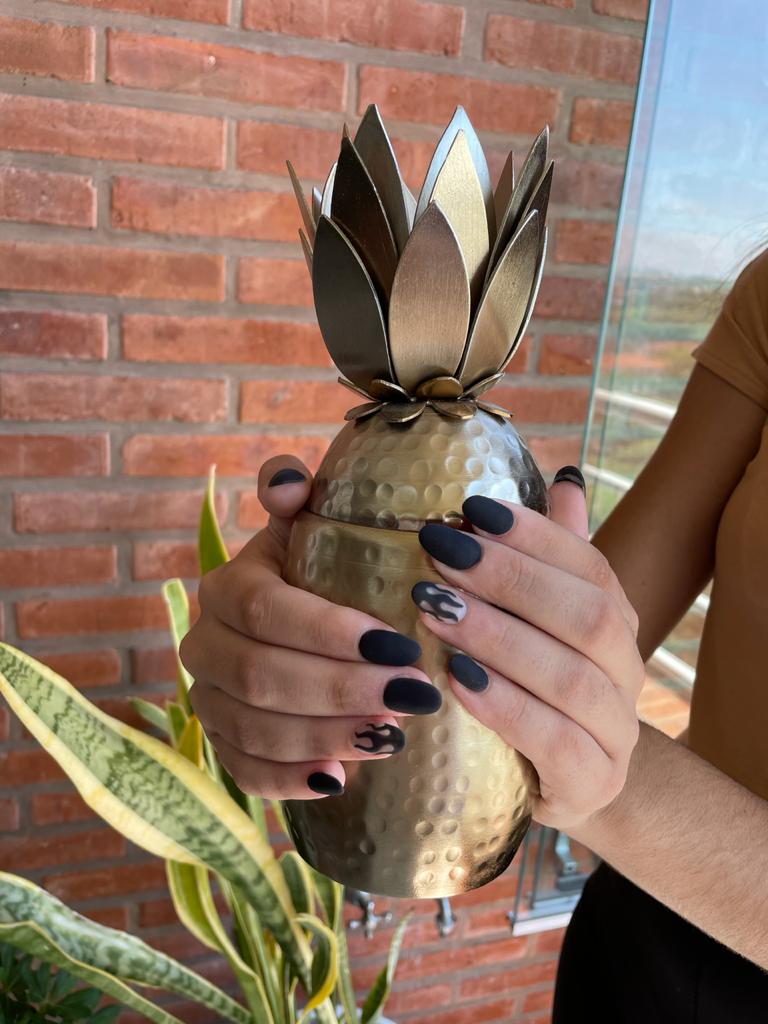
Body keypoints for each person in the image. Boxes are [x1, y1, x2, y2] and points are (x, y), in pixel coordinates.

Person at [180, 249, 768, 1018]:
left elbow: (568, 707)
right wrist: (315, 600)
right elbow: (588, 627)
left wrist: (593, 777)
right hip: (639, 913)